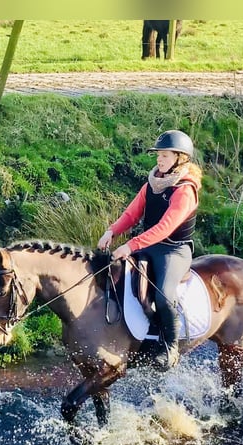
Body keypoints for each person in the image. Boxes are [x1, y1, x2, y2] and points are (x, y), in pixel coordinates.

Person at [98, 129, 202, 371]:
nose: (159, 160)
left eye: (165, 156)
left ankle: (170, 347)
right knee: (117, 278)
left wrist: (130, 245)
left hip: (174, 251)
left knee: (164, 294)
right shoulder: (152, 182)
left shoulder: (185, 190)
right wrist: (111, 231)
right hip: (149, 244)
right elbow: (132, 214)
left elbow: (166, 227)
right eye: (158, 156)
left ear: (180, 158)